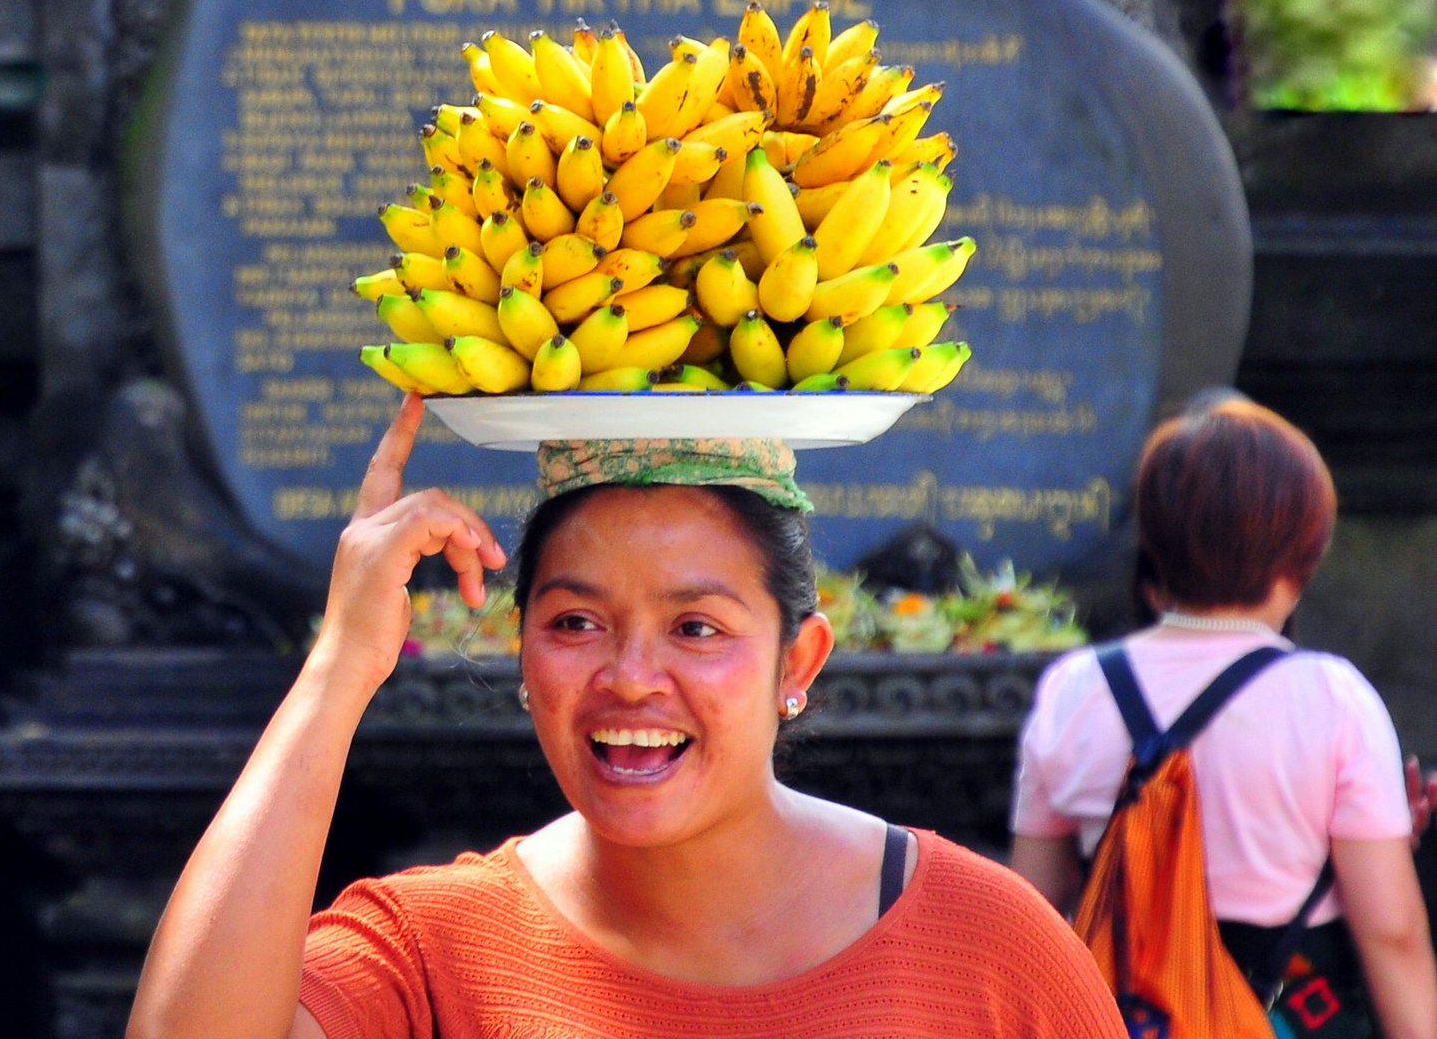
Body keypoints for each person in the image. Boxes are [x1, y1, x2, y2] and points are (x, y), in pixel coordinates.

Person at [128, 394, 1127, 1039]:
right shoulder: (432, 953)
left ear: (800, 660)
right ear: (522, 655)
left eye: (696, 626)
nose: (631, 676)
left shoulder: (991, 951)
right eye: (575, 621)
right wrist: (341, 667)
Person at [1009, 394, 1437, 1039]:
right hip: (1286, 1010)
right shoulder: (1332, 697)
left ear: (1154, 543)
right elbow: (1393, 934)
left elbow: (1031, 910)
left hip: (1124, 1014)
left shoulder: (1075, 688)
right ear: (1308, 547)